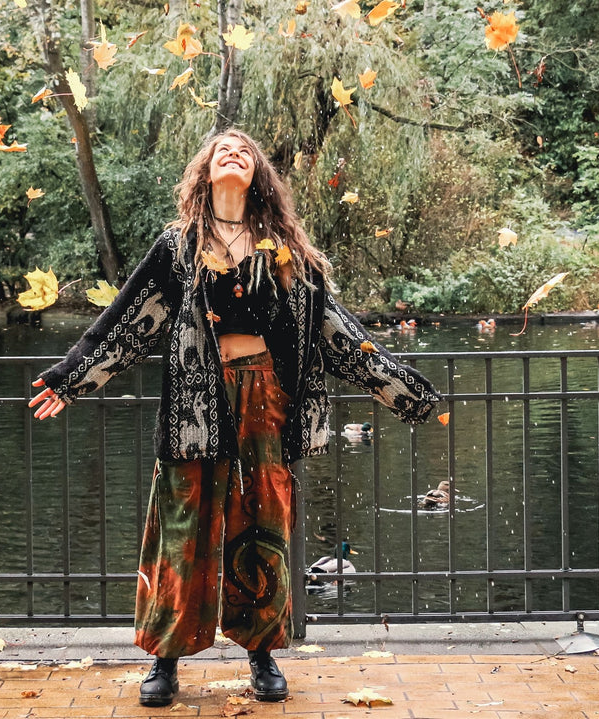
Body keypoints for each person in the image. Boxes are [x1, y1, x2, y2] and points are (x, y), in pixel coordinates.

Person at [29, 130, 439, 707]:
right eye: (223, 148)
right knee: (182, 529)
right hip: (194, 405)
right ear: (205, 171)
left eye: (245, 151)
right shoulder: (177, 247)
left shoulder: (286, 252)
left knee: (263, 523)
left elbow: (337, 334)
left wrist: (402, 389)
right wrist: (72, 378)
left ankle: (262, 654)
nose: (233, 153)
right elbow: (128, 321)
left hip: (266, 399)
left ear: (258, 177)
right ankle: (165, 660)